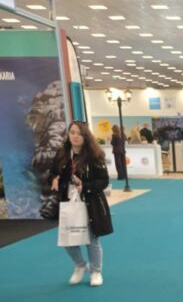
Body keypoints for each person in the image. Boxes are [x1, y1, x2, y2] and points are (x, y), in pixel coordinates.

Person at [50, 121, 113, 287]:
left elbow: (104, 181)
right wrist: (54, 179)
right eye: (72, 132)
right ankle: (80, 265)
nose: (75, 136)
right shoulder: (62, 153)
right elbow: (54, 172)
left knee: (92, 239)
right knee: (68, 239)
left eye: (79, 133)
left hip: (90, 202)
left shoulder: (95, 155)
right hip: (68, 202)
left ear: (86, 136)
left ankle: (96, 271)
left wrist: (85, 187)